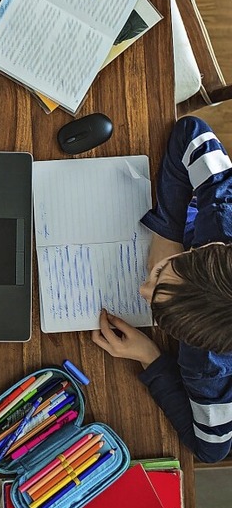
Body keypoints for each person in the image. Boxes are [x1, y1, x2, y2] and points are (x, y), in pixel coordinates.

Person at [91, 116, 232, 462]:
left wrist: (149, 357)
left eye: (154, 303)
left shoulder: (206, 369)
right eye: (158, 275)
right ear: (201, 248)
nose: (142, 289)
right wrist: (166, 234)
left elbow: (212, 449)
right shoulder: (222, 217)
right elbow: (191, 132)